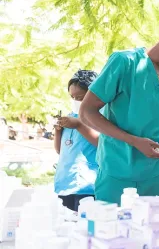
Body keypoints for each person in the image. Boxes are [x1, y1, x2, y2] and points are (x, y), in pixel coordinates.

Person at [79, 17, 159, 204]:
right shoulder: (125, 63)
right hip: (116, 172)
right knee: (111, 229)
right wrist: (134, 141)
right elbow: (86, 113)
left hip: (153, 176)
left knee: (152, 230)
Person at [54, 70, 100, 211]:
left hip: (88, 186)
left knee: (87, 229)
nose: (76, 101)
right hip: (65, 185)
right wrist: (58, 131)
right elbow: (60, 150)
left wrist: (79, 125)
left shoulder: (101, 116)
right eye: (72, 97)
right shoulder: (70, 117)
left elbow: (102, 143)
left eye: (80, 97)